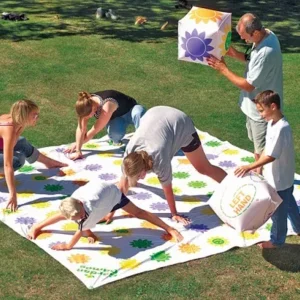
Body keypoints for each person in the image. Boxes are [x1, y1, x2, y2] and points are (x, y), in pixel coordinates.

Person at [120, 106, 227, 225]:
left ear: (144, 171)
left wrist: (174, 214)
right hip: (155, 113)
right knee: (127, 181)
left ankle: (233, 185)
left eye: (139, 176)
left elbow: (168, 190)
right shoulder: (129, 156)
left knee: (204, 168)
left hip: (179, 122)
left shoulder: (159, 159)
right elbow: (122, 184)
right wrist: (111, 210)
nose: (140, 179)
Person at [207, 13, 283, 173]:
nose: (243, 40)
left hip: (262, 110)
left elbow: (249, 85)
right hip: (254, 105)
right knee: (258, 145)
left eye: (244, 36)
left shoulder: (266, 53)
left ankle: (262, 180)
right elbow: (250, 57)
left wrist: (223, 69)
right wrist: (232, 52)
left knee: (260, 151)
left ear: (255, 32)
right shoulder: (266, 35)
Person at [27, 180, 183, 250]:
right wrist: (87, 228)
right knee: (64, 215)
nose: (79, 219)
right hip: (103, 192)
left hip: (113, 195)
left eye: (80, 216)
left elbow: (80, 230)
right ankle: (37, 226)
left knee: (139, 212)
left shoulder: (90, 208)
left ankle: (170, 229)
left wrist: (68, 246)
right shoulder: (73, 201)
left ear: (81, 205)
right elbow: (77, 220)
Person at [235, 91, 300, 249]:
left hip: (279, 179)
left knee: (278, 212)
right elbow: (267, 149)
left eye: (261, 110)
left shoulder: (282, 128)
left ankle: (276, 240)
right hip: (280, 178)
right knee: (289, 204)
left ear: (273, 106)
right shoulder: (272, 123)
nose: (260, 114)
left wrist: (249, 167)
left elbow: (271, 156)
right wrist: (258, 165)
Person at [0, 100, 67, 212]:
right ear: (24, 115)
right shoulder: (9, 129)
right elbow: (8, 165)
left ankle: (48, 162)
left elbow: (15, 141)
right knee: (18, 160)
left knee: (22, 142)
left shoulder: (16, 121)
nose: (37, 117)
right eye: (34, 115)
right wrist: (13, 194)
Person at [64, 90, 146, 160]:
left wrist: (79, 143)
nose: (89, 117)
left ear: (93, 107)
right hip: (117, 117)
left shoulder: (107, 106)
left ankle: (143, 144)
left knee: (138, 113)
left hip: (131, 110)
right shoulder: (86, 104)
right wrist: (78, 148)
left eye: (89, 115)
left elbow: (94, 131)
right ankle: (119, 140)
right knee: (115, 135)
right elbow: (81, 128)